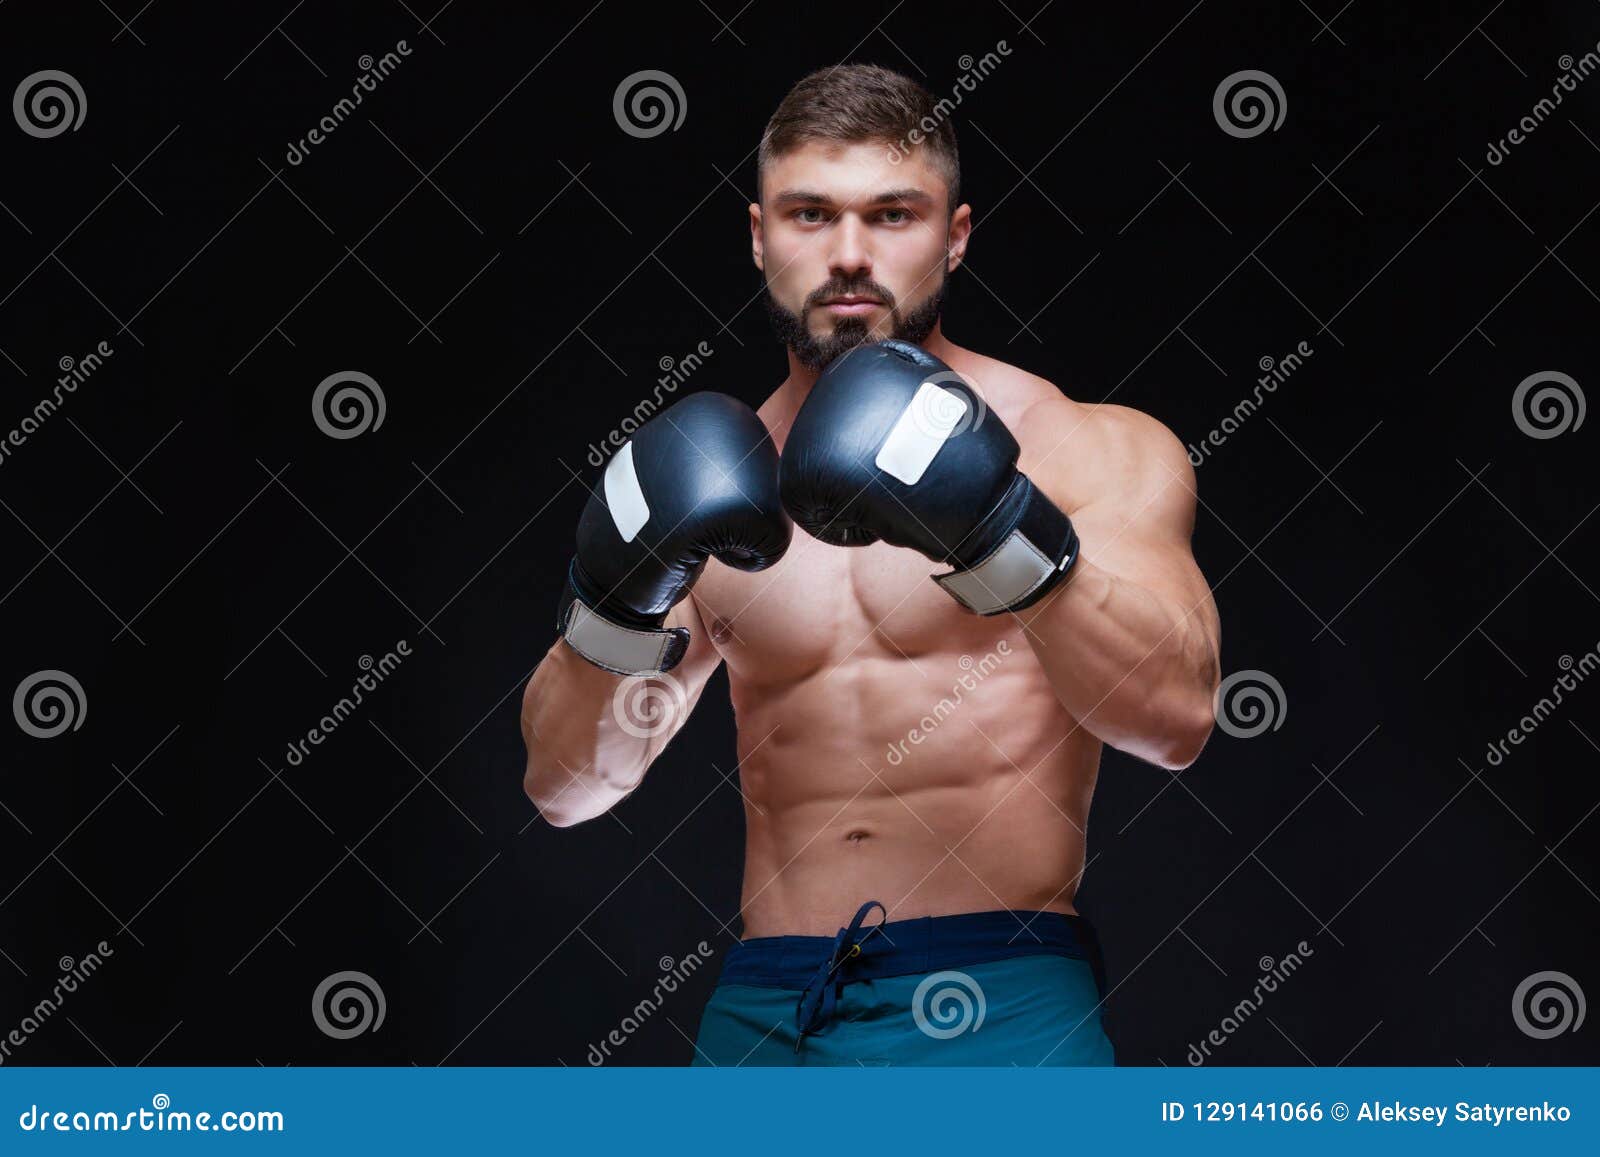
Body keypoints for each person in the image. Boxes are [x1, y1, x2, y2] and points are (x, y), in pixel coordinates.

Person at [523, 64, 1221, 1066]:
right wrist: (613, 599)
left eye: (892, 214)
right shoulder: (712, 481)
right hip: (766, 1011)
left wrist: (994, 521)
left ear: (956, 233)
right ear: (760, 235)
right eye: (810, 214)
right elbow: (565, 785)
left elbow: (1177, 717)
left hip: (998, 1001)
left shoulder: (1077, 447)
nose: (849, 254)